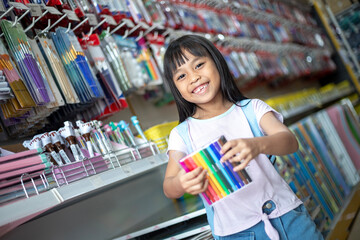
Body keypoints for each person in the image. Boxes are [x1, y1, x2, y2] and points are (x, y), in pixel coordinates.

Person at [162, 35, 323, 240]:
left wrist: (258, 145)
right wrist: (182, 184)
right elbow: (169, 186)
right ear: (176, 89)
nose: (193, 77)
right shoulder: (181, 134)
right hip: (236, 234)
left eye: (199, 65)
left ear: (217, 62)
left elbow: (289, 141)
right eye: (181, 76)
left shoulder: (252, 109)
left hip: (288, 217)